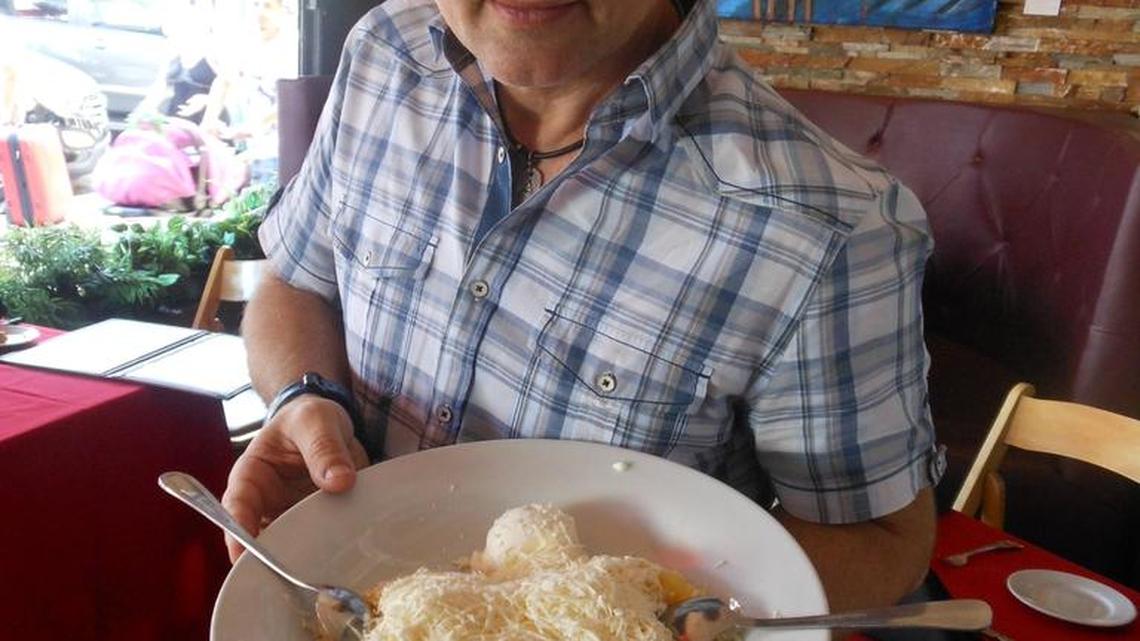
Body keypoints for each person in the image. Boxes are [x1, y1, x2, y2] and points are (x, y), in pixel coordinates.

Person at [223, 0, 944, 615]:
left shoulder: (834, 226)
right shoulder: (384, 52)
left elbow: (883, 540)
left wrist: (656, 608)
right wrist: (305, 397)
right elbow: (296, 283)